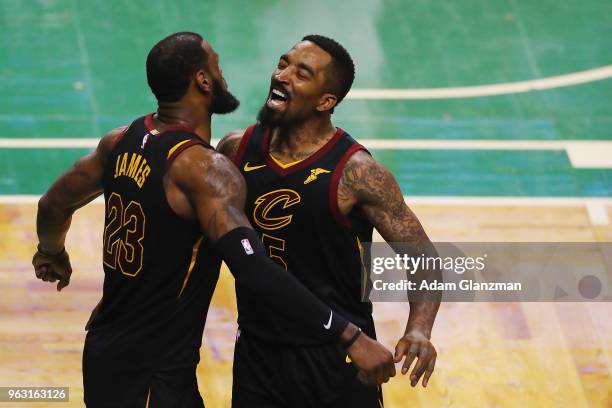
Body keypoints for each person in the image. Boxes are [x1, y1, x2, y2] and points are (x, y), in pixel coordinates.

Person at [32, 32, 395, 408]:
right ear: (204, 81)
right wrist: (349, 335)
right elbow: (252, 268)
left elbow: (52, 204)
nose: (279, 74)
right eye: (218, 67)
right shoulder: (208, 168)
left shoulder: (120, 140)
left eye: (298, 70)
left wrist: (51, 250)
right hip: (159, 372)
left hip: (106, 351)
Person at [218, 34, 441, 407]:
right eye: (284, 62)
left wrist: (419, 328)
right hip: (258, 353)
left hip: (340, 355)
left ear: (326, 101)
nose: (282, 75)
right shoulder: (235, 150)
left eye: (301, 73)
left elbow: (423, 258)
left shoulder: (358, 173)